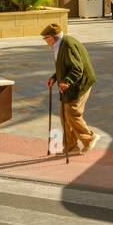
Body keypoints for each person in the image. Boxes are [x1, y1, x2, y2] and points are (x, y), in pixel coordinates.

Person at [41, 22, 99, 155]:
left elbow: (77, 68)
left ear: (51, 37)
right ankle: (71, 146)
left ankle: (89, 138)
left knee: (72, 112)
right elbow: (65, 66)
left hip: (79, 84)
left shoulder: (67, 45)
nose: (45, 42)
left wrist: (67, 81)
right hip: (70, 83)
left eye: (45, 39)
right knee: (64, 114)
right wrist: (54, 78)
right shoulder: (60, 44)